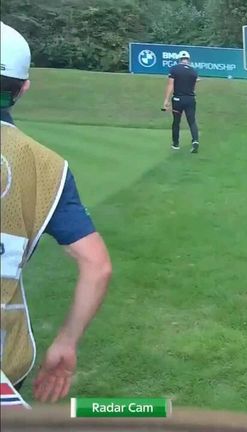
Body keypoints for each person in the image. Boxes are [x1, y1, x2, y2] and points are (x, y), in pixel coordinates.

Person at [0, 22, 112, 403]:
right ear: (23, 88)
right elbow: (97, 265)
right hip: (6, 363)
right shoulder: (48, 167)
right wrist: (66, 342)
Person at [162, 50, 200, 153]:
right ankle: (195, 140)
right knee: (192, 121)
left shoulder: (174, 69)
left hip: (178, 100)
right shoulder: (193, 71)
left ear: (179, 59)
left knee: (176, 122)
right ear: (188, 59)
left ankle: (175, 144)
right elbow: (194, 87)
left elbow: (170, 85)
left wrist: (166, 100)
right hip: (190, 99)